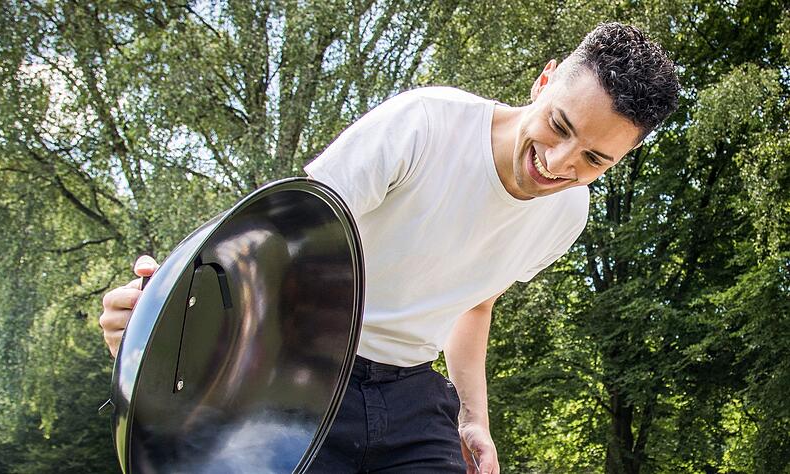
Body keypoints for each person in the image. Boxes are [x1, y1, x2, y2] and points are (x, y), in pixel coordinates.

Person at [99, 22, 679, 474]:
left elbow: (476, 304)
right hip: (302, 374)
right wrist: (167, 312)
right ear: (545, 81)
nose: (559, 163)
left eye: (594, 160)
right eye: (560, 126)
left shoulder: (566, 216)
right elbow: (282, 238)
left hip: (414, 396)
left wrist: (474, 418)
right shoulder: (423, 126)